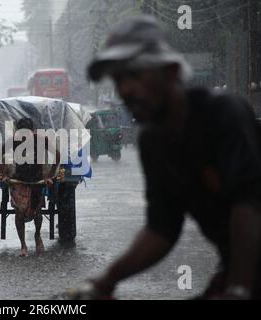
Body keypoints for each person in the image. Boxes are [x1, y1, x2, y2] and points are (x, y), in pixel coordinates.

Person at [78, 15, 261, 299]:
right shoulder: (154, 142)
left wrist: (239, 289)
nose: (125, 89)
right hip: (240, 272)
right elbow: (162, 229)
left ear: (172, 72)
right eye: (119, 78)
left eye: (135, 74)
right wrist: (106, 280)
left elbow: (249, 203)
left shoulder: (223, 113)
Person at [0, 118, 60, 257]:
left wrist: (49, 175)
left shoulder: (41, 140)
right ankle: (23, 245)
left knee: (36, 212)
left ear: (33, 131)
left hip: (37, 181)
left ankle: (37, 235)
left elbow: (57, 155)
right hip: (19, 181)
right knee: (19, 214)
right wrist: (4, 174)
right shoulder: (13, 140)